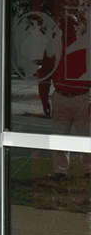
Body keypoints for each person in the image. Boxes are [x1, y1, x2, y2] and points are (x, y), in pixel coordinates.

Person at [38, 12, 90, 178]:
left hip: (83, 98)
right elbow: (45, 74)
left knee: (87, 136)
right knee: (59, 137)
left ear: (78, 28)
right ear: (62, 28)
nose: (71, 29)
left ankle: (89, 170)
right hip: (60, 96)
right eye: (67, 25)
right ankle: (59, 171)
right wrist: (44, 100)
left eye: (73, 25)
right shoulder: (53, 46)